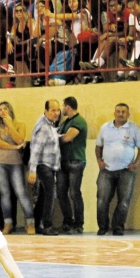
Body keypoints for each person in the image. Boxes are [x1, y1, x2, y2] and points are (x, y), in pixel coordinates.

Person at [95, 103, 140, 236]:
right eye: (118, 111)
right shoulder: (105, 128)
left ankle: (118, 227)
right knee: (101, 201)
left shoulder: (134, 129)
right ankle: (103, 227)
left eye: (123, 112)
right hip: (106, 171)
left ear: (128, 114)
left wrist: (136, 164)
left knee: (123, 202)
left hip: (126, 171)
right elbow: (98, 146)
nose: (120, 114)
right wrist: (99, 161)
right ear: (114, 113)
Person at [0, 102, 36, 235]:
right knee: (4, 193)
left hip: (15, 163)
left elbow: (19, 139)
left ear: (10, 110)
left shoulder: (19, 124)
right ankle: (8, 223)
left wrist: (10, 125)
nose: (3, 111)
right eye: (0, 110)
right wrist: (14, 147)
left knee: (20, 192)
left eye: (5, 109)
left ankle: (30, 223)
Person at [28, 99, 61, 236]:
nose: (56, 113)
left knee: (43, 196)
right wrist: (32, 170)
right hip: (44, 165)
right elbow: (36, 150)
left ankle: (38, 224)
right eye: (53, 110)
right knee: (50, 194)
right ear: (46, 111)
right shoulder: (44, 127)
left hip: (47, 165)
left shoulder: (48, 124)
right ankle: (47, 225)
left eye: (58, 110)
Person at [56, 97, 87, 235]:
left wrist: (54, 137)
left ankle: (79, 224)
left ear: (67, 107)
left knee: (74, 193)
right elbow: (61, 136)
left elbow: (67, 138)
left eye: (63, 106)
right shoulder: (65, 122)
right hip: (63, 161)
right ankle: (68, 222)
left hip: (76, 161)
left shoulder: (79, 121)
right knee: (61, 193)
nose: (62, 109)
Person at [1, 2, 43, 88]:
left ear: (25, 12)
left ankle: (35, 76)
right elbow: (10, 36)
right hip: (21, 48)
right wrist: (9, 41)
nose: (19, 13)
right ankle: (12, 80)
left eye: (21, 10)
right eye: (17, 11)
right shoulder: (15, 26)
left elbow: (34, 36)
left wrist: (22, 42)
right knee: (10, 49)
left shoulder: (30, 21)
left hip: (30, 47)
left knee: (30, 47)